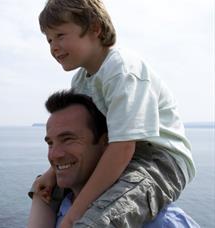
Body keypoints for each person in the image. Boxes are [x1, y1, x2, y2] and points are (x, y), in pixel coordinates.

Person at [32, 1, 196, 227]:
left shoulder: (122, 69)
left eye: (60, 35)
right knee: (42, 189)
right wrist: (51, 173)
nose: (53, 47)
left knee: (97, 221)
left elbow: (123, 147)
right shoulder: (80, 81)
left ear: (94, 28)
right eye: (49, 39)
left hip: (159, 160)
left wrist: (74, 215)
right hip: (115, 153)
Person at [27, 90, 199, 228]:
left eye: (68, 139)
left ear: (107, 143)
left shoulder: (161, 222)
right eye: (50, 143)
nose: (54, 154)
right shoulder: (53, 209)